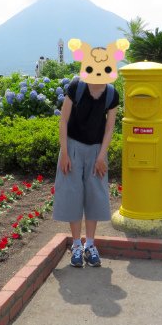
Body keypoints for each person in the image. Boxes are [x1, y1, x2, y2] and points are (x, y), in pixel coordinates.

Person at [53, 38, 129, 267]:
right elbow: (63, 121)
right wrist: (65, 154)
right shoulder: (76, 86)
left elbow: (109, 127)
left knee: (95, 195)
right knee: (73, 195)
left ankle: (90, 244)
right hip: (73, 148)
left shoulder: (111, 94)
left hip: (96, 150)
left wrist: (102, 156)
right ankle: (76, 244)